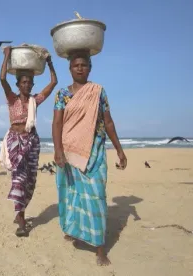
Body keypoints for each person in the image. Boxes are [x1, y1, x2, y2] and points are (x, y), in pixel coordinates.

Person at [52, 50, 127, 266]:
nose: (80, 68)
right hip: (69, 152)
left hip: (94, 153)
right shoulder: (62, 95)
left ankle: (100, 248)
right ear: (70, 68)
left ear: (90, 68)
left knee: (97, 197)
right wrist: (58, 150)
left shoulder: (98, 92)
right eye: (76, 65)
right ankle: (72, 230)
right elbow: (57, 123)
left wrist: (120, 150)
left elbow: (108, 122)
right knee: (71, 194)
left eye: (84, 65)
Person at [0, 46, 58, 237]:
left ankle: (20, 213)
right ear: (18, 84)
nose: (27, 85)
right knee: (19, 180)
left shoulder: (35, 100)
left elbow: (53, 82)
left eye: (30, 82)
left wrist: (49, 61)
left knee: (30, 181)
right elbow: (2, 79)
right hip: (15, 142)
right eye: (24, 82)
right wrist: (7, 56)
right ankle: (22, 220)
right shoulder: (12, 99)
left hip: (32, 142)